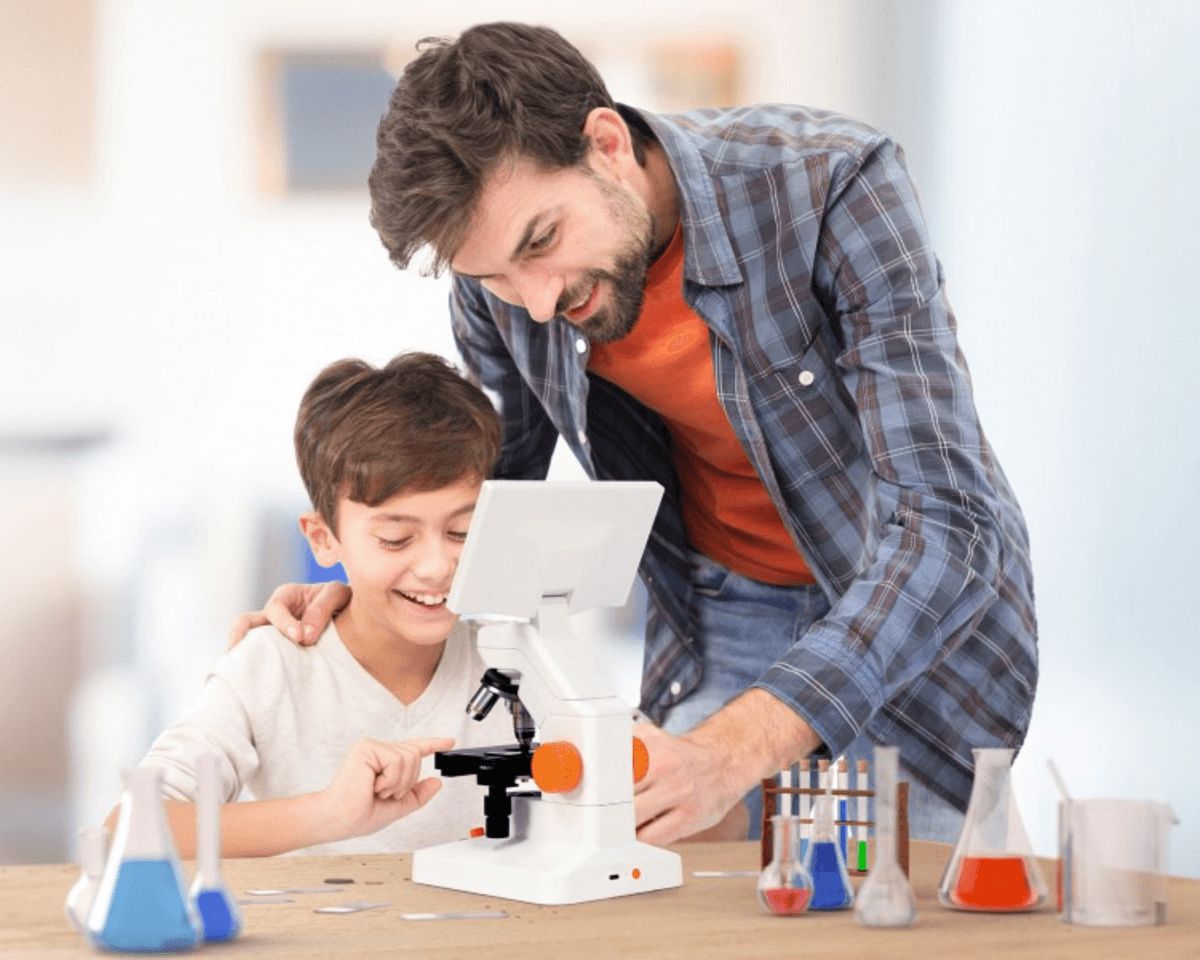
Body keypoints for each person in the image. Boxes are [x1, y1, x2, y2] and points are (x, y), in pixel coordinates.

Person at [239, 22, 1038, 846]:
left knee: (908, 891)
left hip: (905, 605)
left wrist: (734, 750)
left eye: (543, 241)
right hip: (720, 609)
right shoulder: (503, 284)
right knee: (662, 881)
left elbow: (949, 521)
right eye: (495, 277)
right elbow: (486, 510)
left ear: (608, 143)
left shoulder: (831, 184)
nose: (537, 303)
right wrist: (370, 599)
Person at [119, 352, 514, 857]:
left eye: (462, 531)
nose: (437, 566)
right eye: (396, 539)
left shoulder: (520, 663)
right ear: (323, 539)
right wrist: (328, 814)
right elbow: (130, 827)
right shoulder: (270, 670)